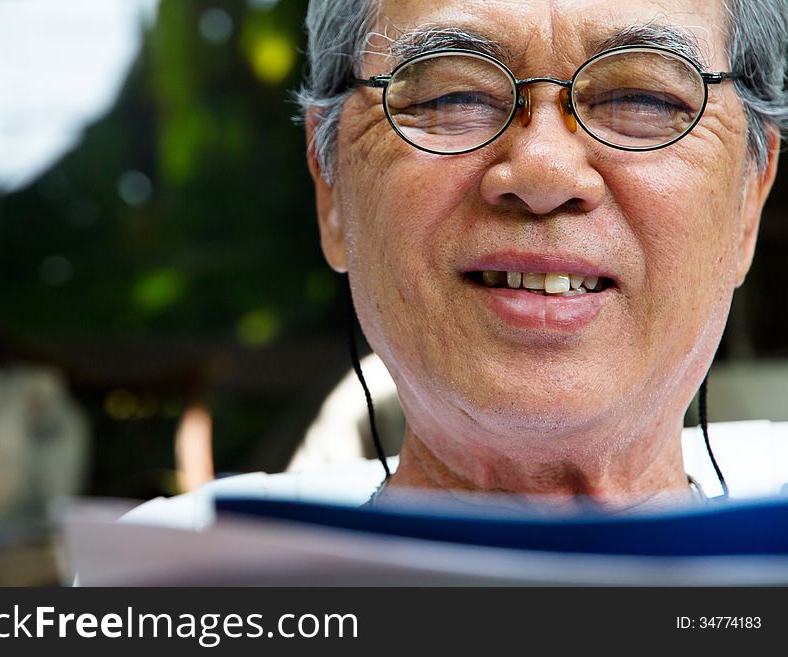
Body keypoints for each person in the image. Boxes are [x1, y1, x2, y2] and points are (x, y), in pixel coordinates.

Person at [123, 0, 788, 528]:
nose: (544, 170)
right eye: (450, 98)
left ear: (748, 202)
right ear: (332, 193)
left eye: (644, 100)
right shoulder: (171, 591)